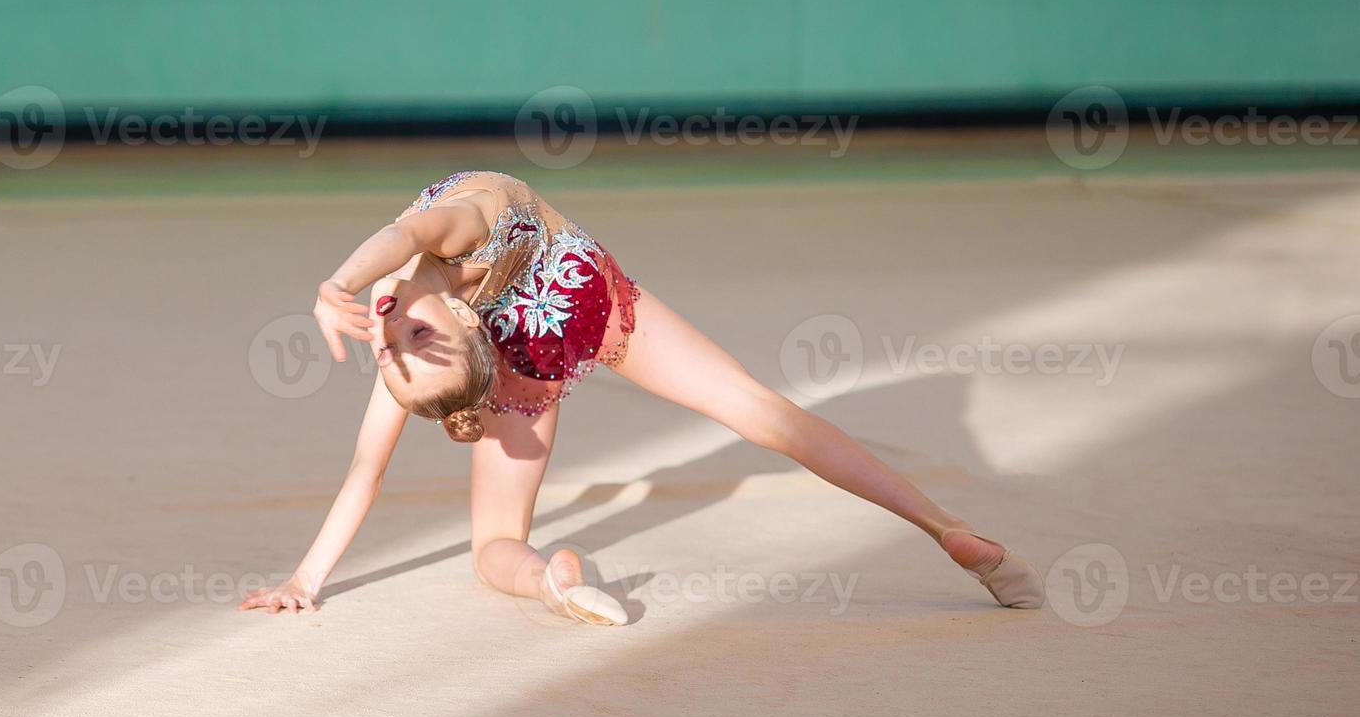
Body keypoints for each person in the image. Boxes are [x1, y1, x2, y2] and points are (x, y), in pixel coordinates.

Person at [240, 172, 1044, 623]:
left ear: (461, 314)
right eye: (390, 356)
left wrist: (340, 283)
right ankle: (948, 532)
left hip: (560, 321)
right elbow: (363, 472)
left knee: (494, 542)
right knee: (758, 412)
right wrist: (303, 580)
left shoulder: (452, 240)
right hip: (587, 312)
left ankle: (946, 530)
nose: (384, 332)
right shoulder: (444, 304)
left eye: (403, 341)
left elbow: (407, 241)